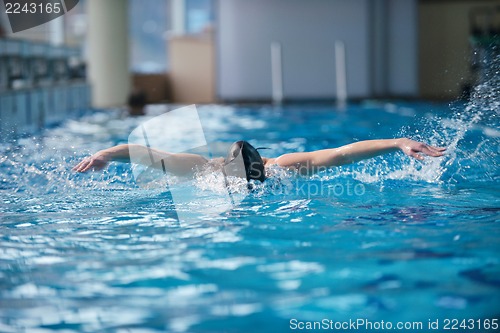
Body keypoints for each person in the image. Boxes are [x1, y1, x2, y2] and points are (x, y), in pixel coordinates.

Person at [73, 138, 446, 182]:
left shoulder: (281, 167)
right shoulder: (201, 168)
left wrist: (398, 143)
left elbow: (341, 154)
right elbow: (146, 153)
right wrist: (105, 154)